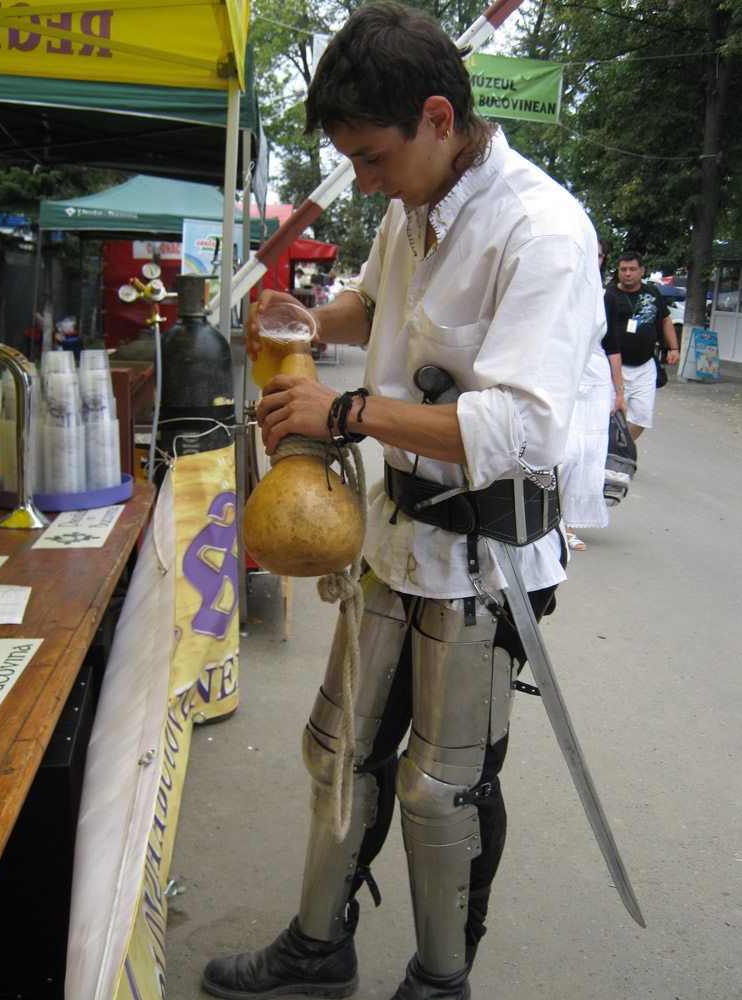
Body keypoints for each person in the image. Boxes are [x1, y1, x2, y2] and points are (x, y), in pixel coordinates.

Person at [202, 5, 604, 1000]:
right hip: (394, 540)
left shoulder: (542, 229)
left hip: (485, 560)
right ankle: (316, 946)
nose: (366, 182)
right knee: (338, 748)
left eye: (374, 159)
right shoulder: (408, 208)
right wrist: (307, 317)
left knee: (440, 788)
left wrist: (346, 409)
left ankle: (440, 978)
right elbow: (376, 309)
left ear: (438, 116)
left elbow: (521, 432)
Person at [559, 237, 626, 552]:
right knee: (565, 450)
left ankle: (567, 524)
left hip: (597, 380)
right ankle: (546, 519)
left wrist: (619, 389)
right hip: (564, 374)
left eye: (600, 256)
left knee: (587, 454)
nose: (594, 260)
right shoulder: (559, 287)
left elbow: (611, 343)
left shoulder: (607, 297)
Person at [603, 251, 679, 441]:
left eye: (633, 269)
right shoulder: (608, 295)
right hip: (613, 368)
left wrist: (674, 348)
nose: (628, 273)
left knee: (642, 418)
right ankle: (607, 452)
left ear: (642, 270)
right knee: (607, 415)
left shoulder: (652, 293)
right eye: (623, 270)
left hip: (645, 367)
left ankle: (619, 449)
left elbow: (666, 321)